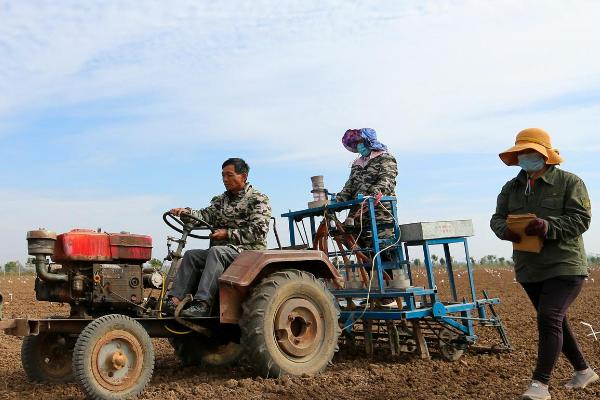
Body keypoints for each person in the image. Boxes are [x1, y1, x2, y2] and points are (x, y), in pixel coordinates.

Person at [490, 128, 598, 400]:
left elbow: (580, 219)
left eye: (531, 152)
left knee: (549, 317)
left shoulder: (570, 182)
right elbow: (497, 219)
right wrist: (506, 230)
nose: (526, 157)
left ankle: (540, 385)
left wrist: (547, 226)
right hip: (529, 267)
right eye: (521, 152)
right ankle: (584, 371)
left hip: (564, 264)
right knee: (556, 321)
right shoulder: (511, 188)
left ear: (545, 154)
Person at [167, 158, 271, 318]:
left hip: (248, 253)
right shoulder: (221, 200)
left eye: (229, 175)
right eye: (223, 175)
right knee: (191, 255)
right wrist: (186, 213)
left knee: (216, 252)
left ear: (243, 177)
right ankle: (174, 300)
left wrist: (227, 234)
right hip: (223, 252)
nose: (225, 180)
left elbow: (259, 231)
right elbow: (204, 215)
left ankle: (202, 304)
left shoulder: (257, 199)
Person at [336, 128, 398, 245]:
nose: (359, 147)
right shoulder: (356, 164)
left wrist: (373, 194)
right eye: (357, 144)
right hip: (357, 215)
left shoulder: (385, 158)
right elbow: (349, 187)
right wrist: (336, 201)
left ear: (368, 142)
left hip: (379, 214)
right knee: (343, 236)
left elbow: (386, 180)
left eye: (361, 143)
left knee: (380, 249)